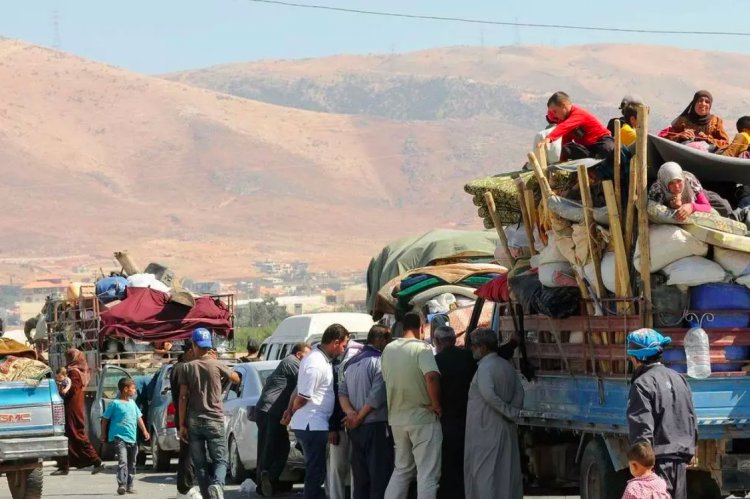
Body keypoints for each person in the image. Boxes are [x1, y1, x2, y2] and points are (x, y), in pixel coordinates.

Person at [626, 328, 697, 499]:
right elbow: (691, 418)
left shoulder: (642, 384)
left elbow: (642, 429)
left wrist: (642, 469)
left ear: (637, 358)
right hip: (681, 459)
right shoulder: (679, 378)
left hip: (658, 463)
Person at [284, 324, 350, 499]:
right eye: (343, 345)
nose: (344, 349)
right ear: (335, 342)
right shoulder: (315, 362)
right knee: (315, 472)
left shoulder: (320, 359)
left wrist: (290, 410)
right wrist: (291, 410)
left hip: (314, 424)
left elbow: (298, 389)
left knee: (317, 471)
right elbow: (303, 396)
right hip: (311, 424)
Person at [381, 312, 442, 499]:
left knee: (402, 470)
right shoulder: (422, 349)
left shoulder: (388, 349)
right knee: (428, 473)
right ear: (422, 328)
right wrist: (436, 405)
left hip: (397, 420)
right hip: (422, 419)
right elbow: (431, 377)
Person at [177, 328, 240, 499]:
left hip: (194, 420)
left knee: (200, 464)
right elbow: (236, 378)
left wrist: (182, 424)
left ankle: (208, 496)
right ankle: (218, 486)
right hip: (215, 419)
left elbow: (183, 397)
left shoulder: (187, 367)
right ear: (209, 346)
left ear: (194, 345)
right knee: (220, 460)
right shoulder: (216, 363)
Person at [464, 328, 524, 499]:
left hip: (485, 431)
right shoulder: (505, 365)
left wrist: (508, 411)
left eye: (474, 346)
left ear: (483, 347)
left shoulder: (485, 368)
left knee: (486, 476)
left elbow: (489, 395)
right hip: (503, 427)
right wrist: (513, 411)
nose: (472, 349)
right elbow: (520, 392)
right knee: (505, 473)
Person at [339, 325, 393, 499]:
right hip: (375, 427)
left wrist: (350, 414)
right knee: (379, 476)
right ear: (380, 340)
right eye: (388, 340)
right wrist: (358, 417)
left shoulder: (351, 363)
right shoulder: (380, 361)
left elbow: (342, 393)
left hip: (356, 429)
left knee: (361, 478)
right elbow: (376, 396)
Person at [256, 342, 312, 497]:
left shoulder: (287, 362)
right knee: (270, 449)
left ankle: (270, 481)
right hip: (270, 410)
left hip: (272, 410)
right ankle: (264, 484)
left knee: (281, 448)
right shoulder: (292, 362)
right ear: (300, 354)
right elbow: (306, 380)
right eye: (308, 355)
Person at [433, 326, 477, 499]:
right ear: (453, 340)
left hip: (445, 419)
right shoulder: (468, 357)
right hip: (468, 417)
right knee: (465, 461)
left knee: (447, 463)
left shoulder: (436, 361)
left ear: (437, 342)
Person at [53, 348, 105, 476]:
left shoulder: (74, 373)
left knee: (76, 434)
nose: (67, 359)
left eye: (69, 357)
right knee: (68, 435)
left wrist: (60, 387)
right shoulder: (74, 371)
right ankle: (64, 465)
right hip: (72, 406)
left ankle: (96, 461)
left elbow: (71, 390)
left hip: (72, 408)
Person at [327, 339, 364, 499]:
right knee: (337, 468)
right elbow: (332, 402)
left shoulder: (358, 370)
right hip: (340, 428)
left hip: (356, 426)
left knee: (356, 467)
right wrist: (332, 428)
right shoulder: (335, 370)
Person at [101, 377, 150, 495]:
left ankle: (130, 485)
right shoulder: (115, 403)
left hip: (132, 438)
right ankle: (121, 485)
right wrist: (103, 434)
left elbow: (139, 418)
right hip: (119, 438)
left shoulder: (133, 403)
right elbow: (105, 419)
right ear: (125, 389)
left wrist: (145, 431)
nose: (134, 391)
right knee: (123, 461)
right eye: (133, 388)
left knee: (132, 463)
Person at [543, 91, 613, 161]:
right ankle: (592, 161)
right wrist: (563, 159)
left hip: (601, 141)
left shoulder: (577, 114)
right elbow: (565, 141)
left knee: (606, 149)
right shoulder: (565, 120)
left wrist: (549, 138)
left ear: (562, 106)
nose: (555, 115)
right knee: (567, 148)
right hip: (587, 148)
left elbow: (564, 126)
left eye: (555, 111)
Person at [171, 341, 201, 499]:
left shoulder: (178, 367)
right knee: (188, 454)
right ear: (189, 351)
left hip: (184, 416)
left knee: (187, 453)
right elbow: (183, 396)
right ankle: (185, 487)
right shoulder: (183, 368)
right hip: (186, 416)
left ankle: (184, 487)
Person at [648, 162, 713, 221]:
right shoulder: (657, 189)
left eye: (679, 181)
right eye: (671, 183)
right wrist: (670, 206)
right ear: (664, 183)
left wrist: (692, 207)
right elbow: (654, 213)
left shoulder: (689, 179)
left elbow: (707, 206)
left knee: (721, 206)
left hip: (704, 195)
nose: (676, 186)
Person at [665, 90, 730, 150]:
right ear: (694, 103)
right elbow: (667, 140)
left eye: (707, 102)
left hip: (706, 157)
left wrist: (708, 139)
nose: (703, 104)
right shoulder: (683, 120)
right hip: (684, 153)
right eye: (700, 100)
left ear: (710, 106)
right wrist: (681, 135)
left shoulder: (716, 121)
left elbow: (726, 143)